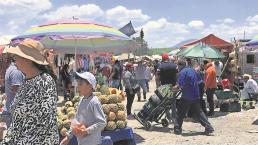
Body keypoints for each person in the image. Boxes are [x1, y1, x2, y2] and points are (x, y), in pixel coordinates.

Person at [2, 39, 59, 144]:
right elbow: (18, 122)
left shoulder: (44, 81)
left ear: (27, 59)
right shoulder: (26, 81)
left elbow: (45, 124)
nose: (14, 60)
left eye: (16, 57)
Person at [60, 72, 106, 145]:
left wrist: (86, 131)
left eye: (80, 84)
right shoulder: (81, 100)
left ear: (90, 86)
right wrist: (68, 137)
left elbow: (102, 122)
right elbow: (77, 121)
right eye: (78, 84)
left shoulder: (94, 102)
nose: (78, 86)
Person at [174, 60, 214, 135]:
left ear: (180, 66)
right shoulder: (192, 70)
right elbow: (200, 81)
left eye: (177, 66)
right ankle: (208, 127)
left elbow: (180, 85)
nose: (177, 68)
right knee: (199, 112)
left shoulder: (182, 72)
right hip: (196, 95)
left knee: (180, 111)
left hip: (186, 96)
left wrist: (174, 89)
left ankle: (177, 128)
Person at [0, 55, 24, 141]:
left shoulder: (12, 69)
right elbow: (16, 90)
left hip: (12, 109)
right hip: (13, 111)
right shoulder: (15, 71)